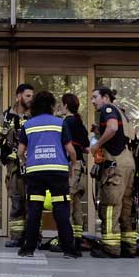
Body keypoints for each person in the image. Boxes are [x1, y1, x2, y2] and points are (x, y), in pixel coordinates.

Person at [16, 91, 78, 259]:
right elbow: (71, 150)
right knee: (61, 210)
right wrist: (72, 165)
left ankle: (28, 249)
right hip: (58, 172)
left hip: (35, 172)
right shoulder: (60, 123)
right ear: (51, 106)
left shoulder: (28, 125)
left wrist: (25, 161)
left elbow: (20, 152)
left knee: (34, 210)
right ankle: (69, 250)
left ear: (34, 106)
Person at [89, 86, 137, 258]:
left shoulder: (107, 109)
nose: (93, 101)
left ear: (106, 97)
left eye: (95, 97)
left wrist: (97, 144)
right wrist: (98, 131)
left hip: (115, 165)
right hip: (127, 162)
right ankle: (128, 246)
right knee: (125, 207)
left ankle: (110, 247)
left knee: (110, 206)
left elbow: (112, 128)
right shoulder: (121, 112)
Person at [0, 83, 34, 247]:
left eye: (32, 96)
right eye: (28, 96)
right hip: (13, 166)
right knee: (16, 201)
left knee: (33, 202)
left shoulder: (35, 115)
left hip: (32, 165)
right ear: (18, 97)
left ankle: (33, 236)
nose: (31, 99)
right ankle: (16, 237)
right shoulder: (7, 116)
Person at [60, 93, 89, 249]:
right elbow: (85, 147)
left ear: (66, 105)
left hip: (71, 166)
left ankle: (66, 239)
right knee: (77, 204)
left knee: (66, 203)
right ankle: (77, 237)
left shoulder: (66, 122)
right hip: (81, 165)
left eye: (62, 104)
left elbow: (65, 145)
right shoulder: (79, 122)